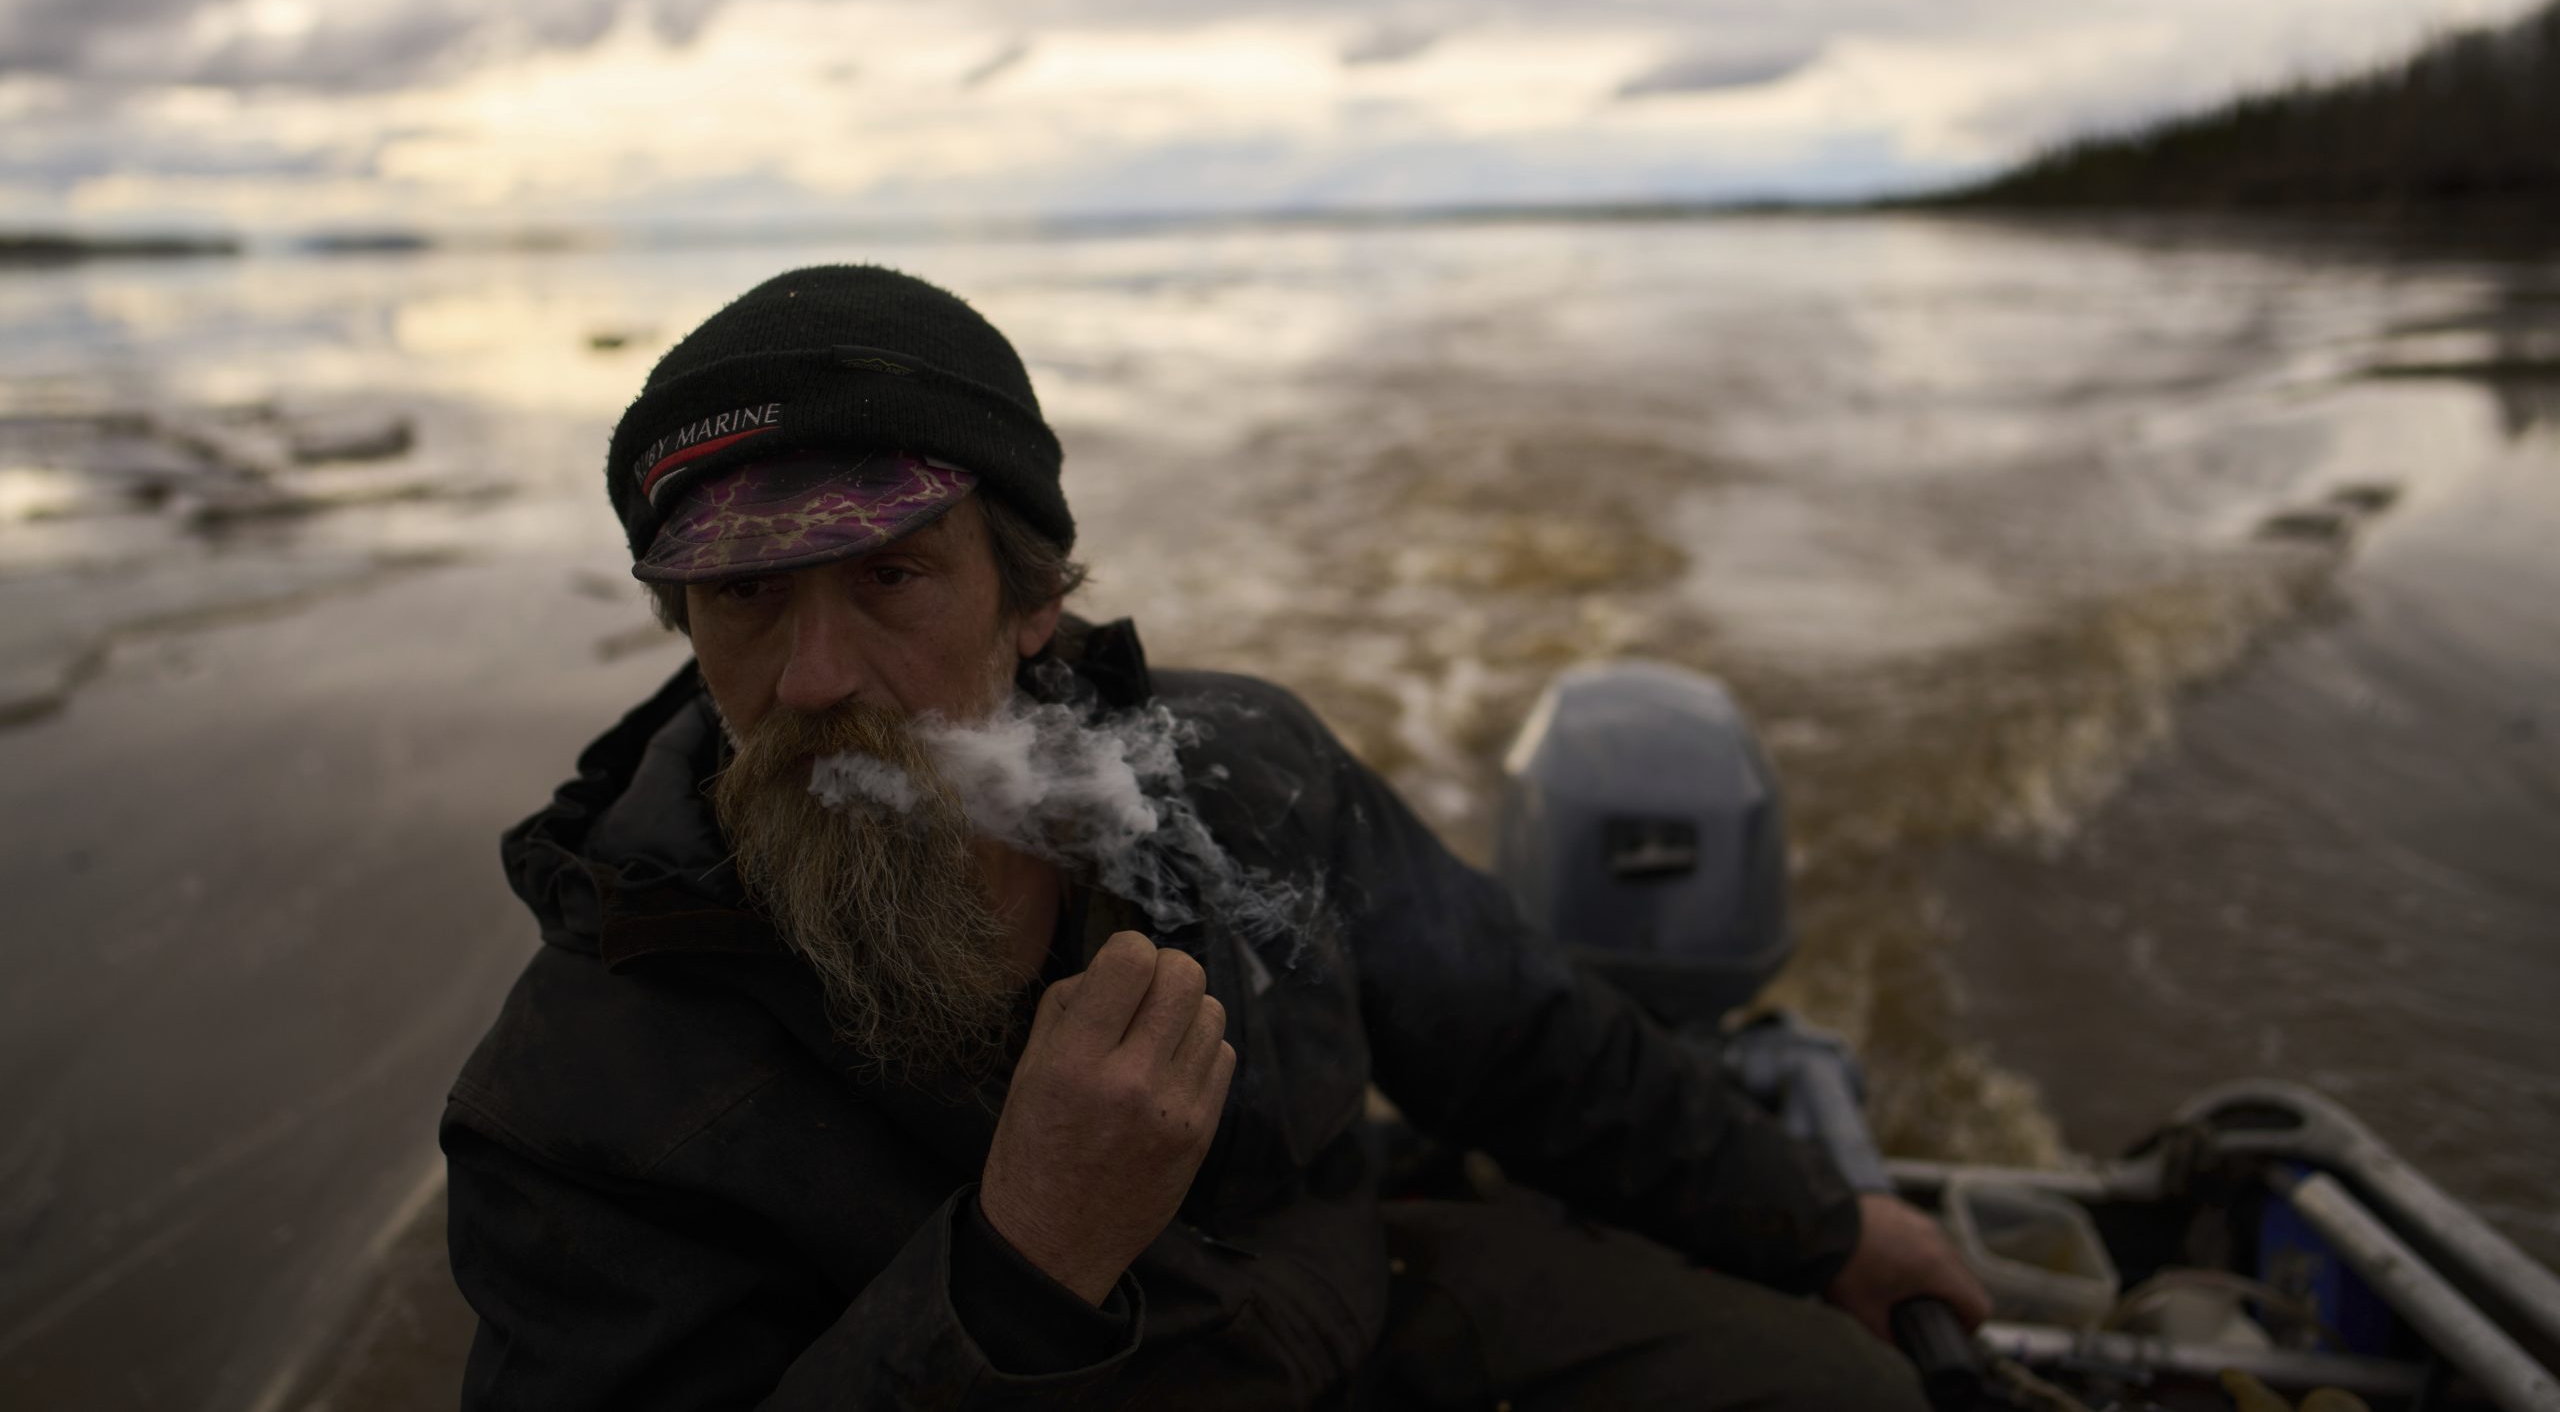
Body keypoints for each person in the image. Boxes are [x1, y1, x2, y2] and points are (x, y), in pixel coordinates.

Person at [441, 263, 1990, 1410]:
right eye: (745, 597)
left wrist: (1816, 1223)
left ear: (1033, 597)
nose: (815, 675)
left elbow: (1521, 1039)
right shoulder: (581, 1092)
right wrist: (1021, 1267)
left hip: (1357, 1316)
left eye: (893, 579)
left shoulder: (1246, 775)